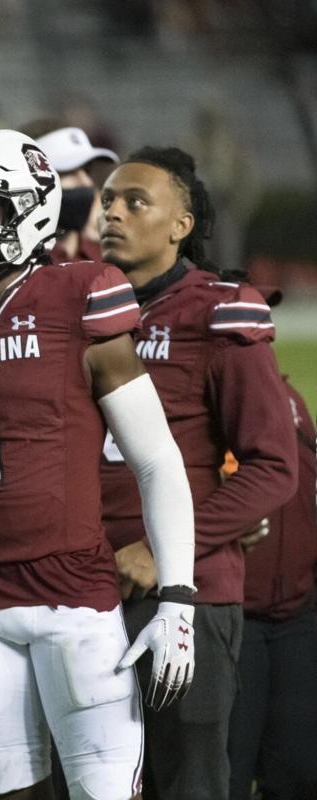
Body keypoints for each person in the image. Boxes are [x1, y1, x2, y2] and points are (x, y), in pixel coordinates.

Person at [0, 128, 198, 800]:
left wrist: (179, 601)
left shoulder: (79, 295)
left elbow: (158, 460)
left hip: (77, 598)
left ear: (33, 212)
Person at [98, 148, 298, 800]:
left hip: (185, 594)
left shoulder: (217, 311)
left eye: (135, 202)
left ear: (181, 224)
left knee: (188, 783)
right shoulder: (76, 308)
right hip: (80, 590)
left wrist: (163, 551)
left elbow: (272, 467)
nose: (113, 213)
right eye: (108, 201)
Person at [224, 286, 317, 799]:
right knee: (226, 776)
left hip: (297, 614)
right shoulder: (203, 391)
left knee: (301, 772)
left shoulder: (291, 397)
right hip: (236, 617)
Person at [32, 125, 117, 264]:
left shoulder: (108, 257)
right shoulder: (16, 266)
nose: (86, 182)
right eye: (68, 171)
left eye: (87, 170)